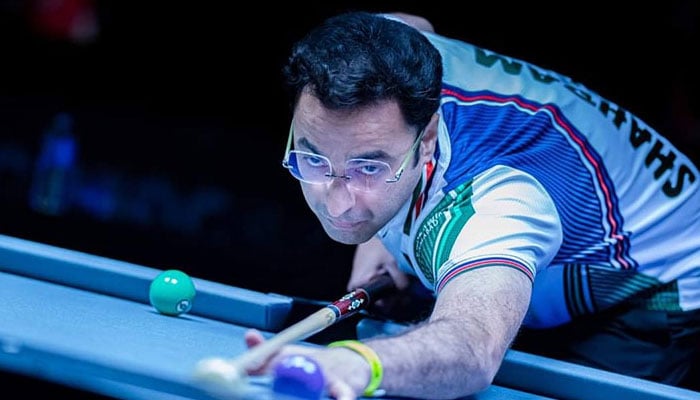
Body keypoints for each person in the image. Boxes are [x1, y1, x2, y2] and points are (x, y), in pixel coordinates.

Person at [243, 11, 700, 400]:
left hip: (651, 283)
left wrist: (358, 363)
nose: (338, 203)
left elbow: (471, 347)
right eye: (314, 158)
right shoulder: (386, 45)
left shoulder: (495, 202)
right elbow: (412, 22)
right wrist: (384, 233)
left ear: (424, 143)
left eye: (368, 166)